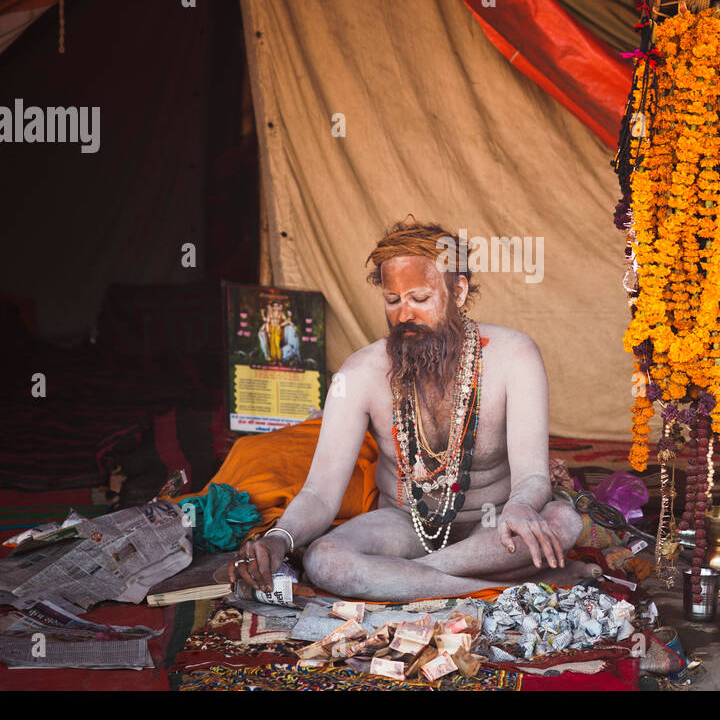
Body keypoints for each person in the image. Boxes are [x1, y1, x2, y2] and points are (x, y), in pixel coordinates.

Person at [229, 218, 588, 602]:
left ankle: (406, 580)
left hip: (493, 524)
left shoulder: (514, 356)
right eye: (392, 300)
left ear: (459, 291)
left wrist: (519, 506)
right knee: (325, 561)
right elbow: (319, 494)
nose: (404, 315)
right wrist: (279, 540)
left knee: (562, 522)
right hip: (406, 525)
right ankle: (508, 588)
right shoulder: (360, 373)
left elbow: (533, 475)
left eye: (420, 299)